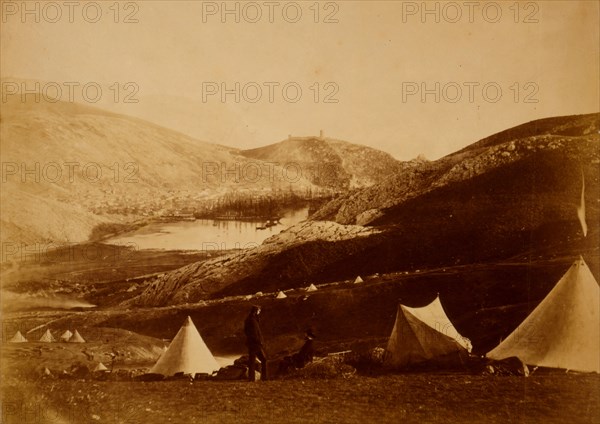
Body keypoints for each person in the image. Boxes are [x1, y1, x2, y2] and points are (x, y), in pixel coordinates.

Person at [244, 305, 268, 381]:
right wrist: (259, 341)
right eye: (259, 311)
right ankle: (264, 378)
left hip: (251, 343)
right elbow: (255, 333)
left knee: (252, 361)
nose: (259, 312)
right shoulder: (253, 320)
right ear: (256, 311)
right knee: (264, 360)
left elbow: (246, 331)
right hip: (256, 344)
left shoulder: (248, 319)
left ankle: (251, 379)